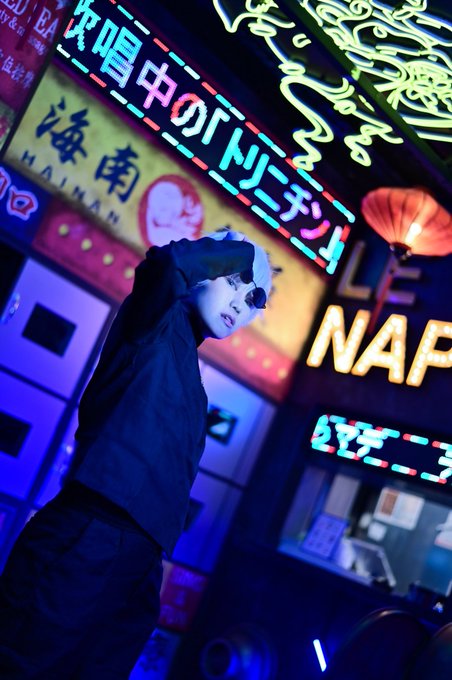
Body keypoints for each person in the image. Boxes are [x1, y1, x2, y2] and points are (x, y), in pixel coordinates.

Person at [0, 228, 275, 679]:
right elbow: (167, 265)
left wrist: (153, 567)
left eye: (252, 300)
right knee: (21, 660)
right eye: (231, 281)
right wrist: (242, 252)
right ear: (206, 270)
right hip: (91, 532)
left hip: (140, 564)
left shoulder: (195, 387)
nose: (238, 304)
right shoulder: (155, 319)